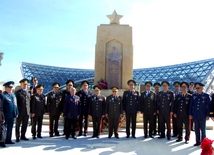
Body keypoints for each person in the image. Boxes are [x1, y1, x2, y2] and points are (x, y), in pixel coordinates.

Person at [0, 81, 19, 147]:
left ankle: (8, 139)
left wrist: (16, 113)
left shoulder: (13, 95)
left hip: (12, 115)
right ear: (5, 88)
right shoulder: (3, 96)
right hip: (5, 115)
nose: (11, 89)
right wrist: (1, 117)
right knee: (3, 129)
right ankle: (2, 141)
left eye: (11, 87)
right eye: (9, 87)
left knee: (10, 128)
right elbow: (1, 107)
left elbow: (15, 105)